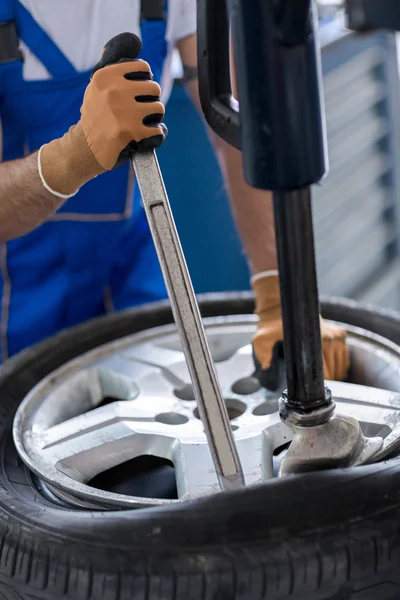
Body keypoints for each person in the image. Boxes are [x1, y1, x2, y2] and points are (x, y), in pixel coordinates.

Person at [0, 0, 348, 389]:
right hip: (13, 301)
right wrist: (74, 155)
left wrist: (278, 292)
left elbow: (241, 125)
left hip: (130, 274)